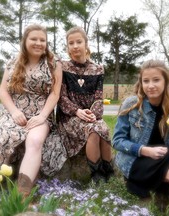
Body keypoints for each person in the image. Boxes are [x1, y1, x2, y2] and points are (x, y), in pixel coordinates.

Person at [0, 24, 66, 208]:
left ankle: (22, 196)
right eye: (34, 39)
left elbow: (55, 94)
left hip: (41, 115)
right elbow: (2, 91)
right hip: (13, 113)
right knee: (7, 138)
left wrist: (42, 116)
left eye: (42, 40)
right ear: (25, 41)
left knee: (34, 141)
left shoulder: (54, 63)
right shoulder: (13, 62)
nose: (39, 43)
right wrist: (15, 112)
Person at [112, 59, 169, 216]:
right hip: (137, 160)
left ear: (165, 81)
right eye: (146, 81)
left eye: (156, 80)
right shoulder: (131, 104)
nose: (151, 85)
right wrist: (144, 150)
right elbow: (117, 141)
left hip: (164, 155)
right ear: (141, 83)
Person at [56, 26, 114, 183]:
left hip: (91, 115)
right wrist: (77, 111)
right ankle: (96, 177)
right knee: (94, 131)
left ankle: (108, 172)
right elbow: (61, 98)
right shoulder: (63, 67)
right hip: (69, 117)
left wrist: (93, 113)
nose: (75, 46)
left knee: (104, 129)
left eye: (79, 42)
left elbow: (98, 97)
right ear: (68, 47)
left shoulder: (98, 69)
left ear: (86, 44)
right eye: (71, 43)